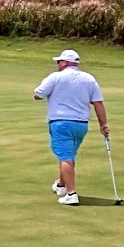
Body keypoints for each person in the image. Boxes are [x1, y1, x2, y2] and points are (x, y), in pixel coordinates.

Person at [33, 49, 108, 207]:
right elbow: (98, 103)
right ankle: (61, 185)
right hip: (81, 125)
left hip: (61, 123)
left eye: (59, 61)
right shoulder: (89, 78)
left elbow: (38, 95)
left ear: (65, 63)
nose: (58, 64)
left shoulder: (56, 77)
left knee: (65, 156)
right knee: (68, 155)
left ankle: (71, 193)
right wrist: (103, 124)